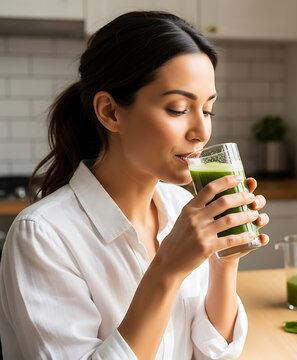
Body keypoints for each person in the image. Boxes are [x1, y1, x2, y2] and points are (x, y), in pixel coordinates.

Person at [0, 11, 269, 360]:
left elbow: (212, 354)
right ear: (111, 112)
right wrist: (168, 269)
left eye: (207, 110)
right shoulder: (43, 236)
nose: (201, 132)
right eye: (177, 109)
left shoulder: (181, 208)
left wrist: (224, 259)